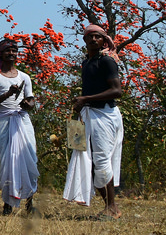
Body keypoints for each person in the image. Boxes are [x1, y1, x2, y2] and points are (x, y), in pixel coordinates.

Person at [63, 24, 123, 219]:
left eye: (98, 37)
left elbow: (117, 91)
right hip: (89, 114)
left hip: (104, 114)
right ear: (85, 40)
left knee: (102, 160)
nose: (94, 40)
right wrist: (81, 104)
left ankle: (112, 207)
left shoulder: (107, 61)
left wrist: (86, 99)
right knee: (87, 159)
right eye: (90, 37)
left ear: (104, 40)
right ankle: (108, 206)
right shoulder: (86, 62)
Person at [0, 37, 38, 215]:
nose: (11, 53)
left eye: (14, 50)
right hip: (4, 121)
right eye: (7, 50)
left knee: (29, 157)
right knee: (8, 163)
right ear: (0, 53)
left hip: (23, 121)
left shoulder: (24, 76)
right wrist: (9, 93)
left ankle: (30, 203)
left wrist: (28, 104)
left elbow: (31, 100)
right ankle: (7, 204)